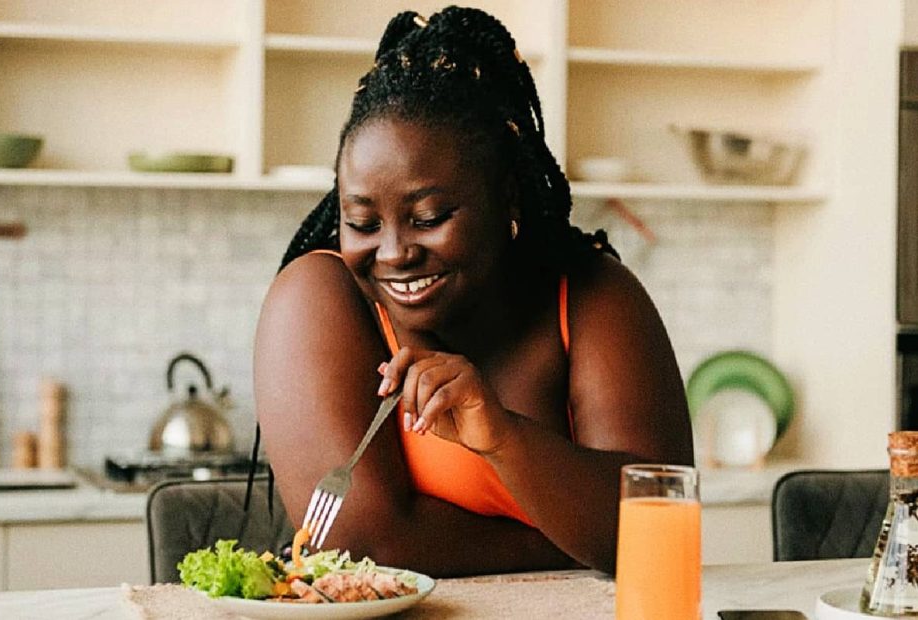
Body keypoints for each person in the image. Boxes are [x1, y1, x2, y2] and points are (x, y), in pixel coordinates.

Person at [253, 6, 693, 577]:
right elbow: (363, 546)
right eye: (362, 223)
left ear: (506, 199)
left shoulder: (591, 294)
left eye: (429, 216)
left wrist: (506, 438)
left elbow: (659, 523)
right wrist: (563, 545)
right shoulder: (318, 299)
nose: (392, 253)